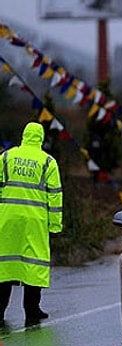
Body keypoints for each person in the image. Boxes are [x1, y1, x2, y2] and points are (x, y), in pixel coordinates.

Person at [0, 122, 63, 328]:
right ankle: (32, 310)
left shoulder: (6, 157)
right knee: (34, 264)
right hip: (35, 221)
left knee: (5, 264)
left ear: (24, 136)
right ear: (41, 139)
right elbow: (55, 196)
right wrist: (55, 226)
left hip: (7, 218)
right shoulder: (48, 162)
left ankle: (0, 310)